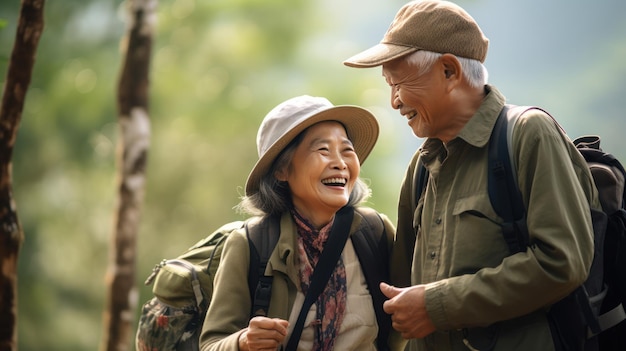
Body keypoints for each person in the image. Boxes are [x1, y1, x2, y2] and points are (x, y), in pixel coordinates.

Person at [343, 1, 601, 350]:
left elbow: (562, 262)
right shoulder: (421, 167)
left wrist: (437, 306)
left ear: (449, 71)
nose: (394, 101)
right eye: (388, 85)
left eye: (398, 82)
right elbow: (399, 285)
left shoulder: (527, 134)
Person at [199, 95, 406, 351]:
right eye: (323, 150)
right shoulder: (250, 244)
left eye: (347, 150)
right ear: (282, 170)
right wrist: (242, 343)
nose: (340, 163)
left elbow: (406, 325)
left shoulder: (374, 232)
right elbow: (211, 343)